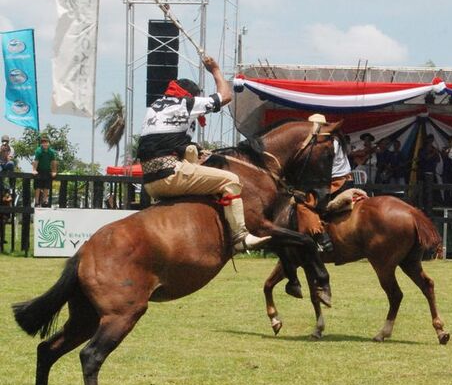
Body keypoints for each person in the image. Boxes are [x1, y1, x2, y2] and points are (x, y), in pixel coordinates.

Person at [137, 56, 270, 253]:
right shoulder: (185, 103)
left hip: (149, 183)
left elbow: (172, 143)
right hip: (170, 175)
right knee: (231, 180)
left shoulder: (155, 108)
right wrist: (215, 69)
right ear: (190, 95)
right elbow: (225, 96)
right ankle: (240, 237)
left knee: (192, 154)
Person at [296, 113, 354, 252]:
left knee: (304, 204)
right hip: (345, 179)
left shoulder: (323, 143)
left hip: (335, 182)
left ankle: (322, 238)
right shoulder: (335, 139)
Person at [32, 136, 58, 207]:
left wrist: (54, 171)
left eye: (46, 142)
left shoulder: (51, 152)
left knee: (46, 187)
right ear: (41, 144)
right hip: (39, 170)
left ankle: (45, 201)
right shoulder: (38, 151)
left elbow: (53, 162)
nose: (45, 144)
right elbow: (36, 161)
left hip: (47, 170)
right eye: (43, 143)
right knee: (38, 187)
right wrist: (34, 170)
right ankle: (37, 201)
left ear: (48, 143)